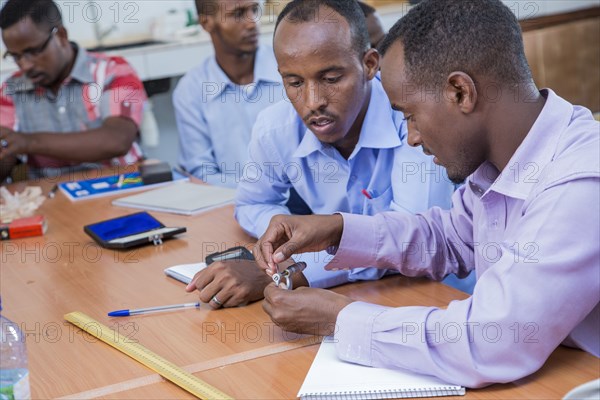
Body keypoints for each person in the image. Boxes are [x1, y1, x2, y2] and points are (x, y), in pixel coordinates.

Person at [255, 0, 599, 388]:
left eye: (411, 115)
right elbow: (450, 238)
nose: (413, 137)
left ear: (459, 92)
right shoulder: (500, 162)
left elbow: (494, 340)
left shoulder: (582, 182)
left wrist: (341, 319)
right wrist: (337, 230)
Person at [186, 0, 456, 309]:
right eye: (294, 82)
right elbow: (251, 202)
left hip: (436, 297)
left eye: (330, 79)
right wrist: (284, 240)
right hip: (357, 296)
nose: (313, 101)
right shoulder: (276, 128)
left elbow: (411, 243)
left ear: (370, 65)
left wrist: (288, 272)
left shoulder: (412, 120)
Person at [0, 0, 146, 182]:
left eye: (34, 51)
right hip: (52, 202)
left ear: (61, 35)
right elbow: (6, 156)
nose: (25, 65)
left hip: (122, 189)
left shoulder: (114, 71)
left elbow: (117, 140)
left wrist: (27, 142)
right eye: (15, 56)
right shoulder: (11, 90)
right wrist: (6, 150)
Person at [174, 0, 284, 187]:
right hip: (230, 204)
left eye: (254, 10)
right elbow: (201, 173)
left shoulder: (289, 68)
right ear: (206, 23)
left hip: (303, 202)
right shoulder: (190, 90)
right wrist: (262, 193)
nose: (251, 23)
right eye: (238, 14)